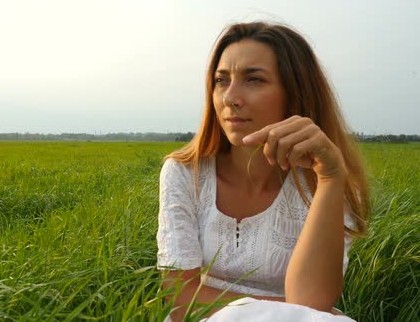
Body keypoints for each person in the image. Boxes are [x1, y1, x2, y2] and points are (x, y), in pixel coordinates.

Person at [156, 21, 370, 321]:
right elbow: (180, 298)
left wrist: (331, 180)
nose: (230, 97)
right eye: (221, 80)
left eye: (253, 79)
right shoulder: (184, 173)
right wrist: (279, 310)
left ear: (296, 92)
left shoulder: (329, 181)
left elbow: (310, 300)